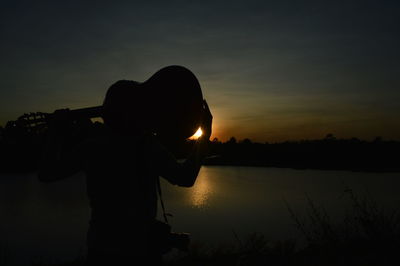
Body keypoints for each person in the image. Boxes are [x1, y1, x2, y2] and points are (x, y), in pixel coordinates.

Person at [37, 79, 213, 265]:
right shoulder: (146, 147)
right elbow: (184, 177)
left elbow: (46, 174)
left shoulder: (91, 148)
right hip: (141, 252)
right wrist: (205, 136)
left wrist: (55, 134)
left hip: (101, 250)